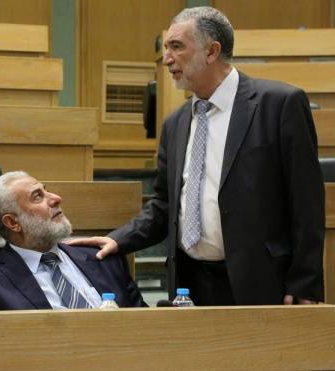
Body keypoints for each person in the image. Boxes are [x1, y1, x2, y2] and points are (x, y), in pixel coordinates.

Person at [69, 6, 324, 306]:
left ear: (211, 51)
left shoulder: (279, 104)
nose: (166, 59)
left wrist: (304, 282)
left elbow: (306, 202)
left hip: (261, 281)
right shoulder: (175, 123)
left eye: (176, 47)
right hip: (189, 285)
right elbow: (164, 205)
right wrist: (119, 239)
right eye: (166, 48)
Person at [0, 171, 147, 311]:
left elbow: (146, 323)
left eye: (46, 191)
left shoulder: (101, 257)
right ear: (12, 222)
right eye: (37, 196)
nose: (56, 198)